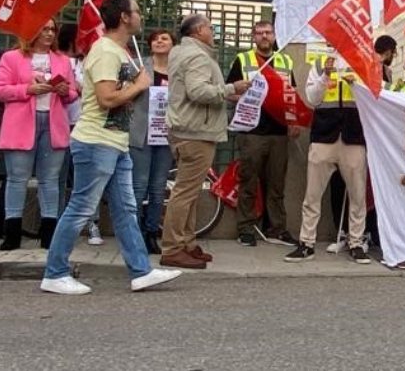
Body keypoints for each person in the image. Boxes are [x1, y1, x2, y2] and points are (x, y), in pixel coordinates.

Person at [41, 0, 181, 295]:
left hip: (116, 143)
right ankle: (55, 272)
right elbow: (106, 99)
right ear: (124, 18)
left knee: (126, 208)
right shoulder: (105, 51)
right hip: (96, 141)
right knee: (81, 207)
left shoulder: (121, 51)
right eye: (137, 11)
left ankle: (141, 271)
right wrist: (140, 85)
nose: (141, 16)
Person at [160, 14, 249, 270]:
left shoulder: (182, 52)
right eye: (210, 27)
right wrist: (232, 88)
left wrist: (224, 92)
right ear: (199, 31)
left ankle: (186, 243)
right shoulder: (198, 56)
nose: (213, 31)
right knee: (184, 194)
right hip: (195, 132)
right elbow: (198, 91)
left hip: (188, 129)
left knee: (187, 193)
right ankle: (173, 247)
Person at [0, 18, 78, 250]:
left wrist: (64, 91)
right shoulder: (12, 57)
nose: (49, 34)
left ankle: (49, 233)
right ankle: (12, 233)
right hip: (21, 124)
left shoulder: (62, 60)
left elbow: (72, 93)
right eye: (44, 29)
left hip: (53, 123)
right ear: (32, 31)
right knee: (17, 179)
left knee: (50, 180)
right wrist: (28, 89)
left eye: (52, 29)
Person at [283, 48, 373, 265]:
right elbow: (312, 99)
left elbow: (375, 96)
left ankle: (356, 242)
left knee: (358, 195)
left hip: (353, 136)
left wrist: (356, 85)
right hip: (324, 135)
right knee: (312, 195)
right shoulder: (320, 62)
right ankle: (306, 243)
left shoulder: (363, 61)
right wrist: (325, 75)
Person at [227, 20, 299, 248]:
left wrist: (294, 120)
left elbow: (292, 94)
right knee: (248, 181)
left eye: (268, 32)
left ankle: (277, 228)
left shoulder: (285, 61)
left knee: (277, 184)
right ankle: (246, 229)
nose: (264, 36)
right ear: (253, 37)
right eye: (259, 33)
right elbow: (229, 92)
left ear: (274, 35)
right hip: (252, 131)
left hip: (279, 131)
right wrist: (252, 101)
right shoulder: (243, 59)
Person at [128, 28, 176, 255]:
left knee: (158, 189)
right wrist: (137, 85)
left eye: (164, 38)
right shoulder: (138, 65)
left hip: (166, 135)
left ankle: (151, 233)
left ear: (173, 44)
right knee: (139, 186)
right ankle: (133, 233)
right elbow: (122, 92)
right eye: (155, 38)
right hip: (141, 133)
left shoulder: (178, 71)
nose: (159, 41)